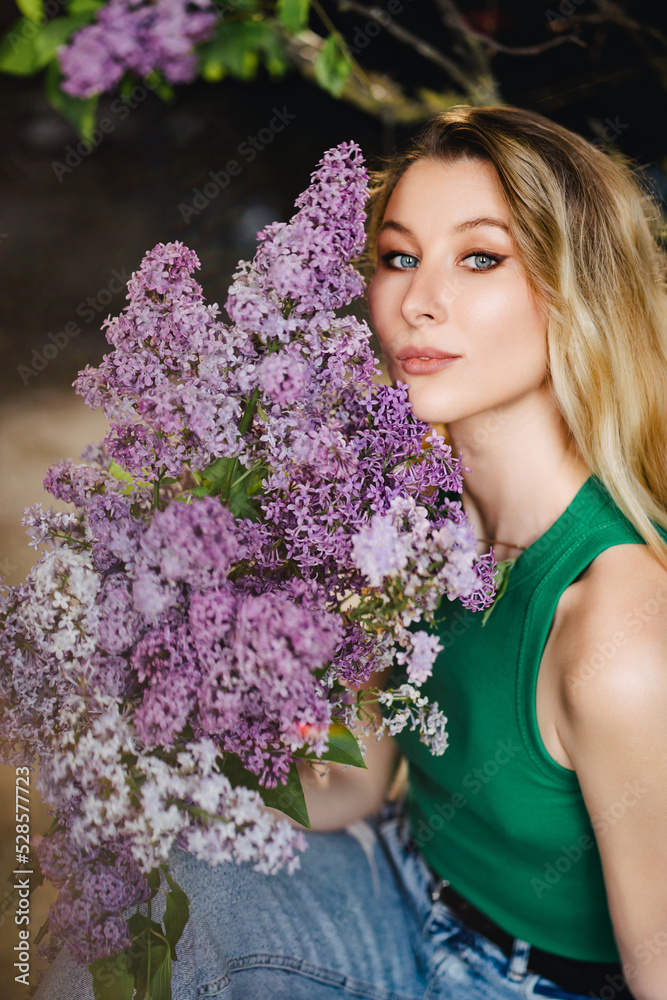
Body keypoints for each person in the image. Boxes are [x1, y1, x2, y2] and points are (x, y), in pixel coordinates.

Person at [35, 106, 667, 1000]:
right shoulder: (398, 514)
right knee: (152, 886)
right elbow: (352, 785)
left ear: (578, 289)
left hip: (530, 983)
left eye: (479, 257)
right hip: (403, 889)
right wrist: (154, 771)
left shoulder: (618, 627)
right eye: (399, 256)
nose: (417, 300)